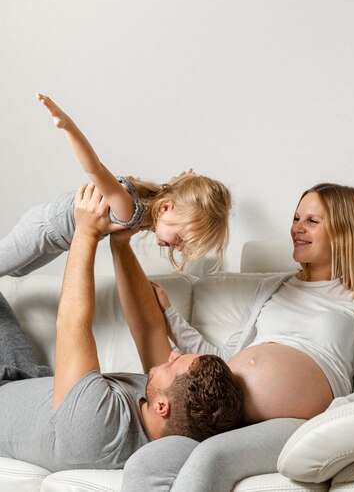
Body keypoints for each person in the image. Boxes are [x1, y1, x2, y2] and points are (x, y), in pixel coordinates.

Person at [120, 182, 354, 492]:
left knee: (211, 458)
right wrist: (171, 315)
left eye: (312, 221)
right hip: (222, 417)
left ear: (347, 232)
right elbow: (222, 356)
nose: (296, 229)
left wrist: (341, 407)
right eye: (296, 218)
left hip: (292, 424)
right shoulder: (273, 288)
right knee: (146, 464)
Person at [0, 183, 243, 471]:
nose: (173, 354)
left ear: (163, 407)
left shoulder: (97, 428)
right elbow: (149, 329)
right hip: (24, 376)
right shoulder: (169, 408)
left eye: (175, 365)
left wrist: (86, 232)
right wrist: (122, 243)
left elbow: (72, 324)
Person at [0, 94, 231, 277]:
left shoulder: (157, 208)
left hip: (57, 242)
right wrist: (67, 125)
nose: (179, 248)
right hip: (42, 229)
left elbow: (168, 193)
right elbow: (95, 170)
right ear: (165, 208)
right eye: (180, 238)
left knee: (17, 272)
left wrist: (177, 182)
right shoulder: (130, 210)